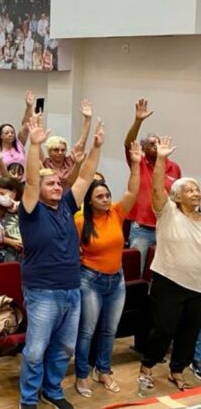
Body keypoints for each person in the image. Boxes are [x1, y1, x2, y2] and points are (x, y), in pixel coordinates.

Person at [18, 114, 104, 409]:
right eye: (51, 183)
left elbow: (85, 177)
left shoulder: (67, 204)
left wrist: (97, 147)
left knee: (64, 347)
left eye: (58, 182)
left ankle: (52, 391)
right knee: (35, 350)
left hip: (71, 288)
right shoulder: (30, 209)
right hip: (42, 290)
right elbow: (31, 180)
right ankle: (28, 399)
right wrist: (34, 143)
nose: (57, 186)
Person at [74, 142, 141, 398]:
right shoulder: (81, 221)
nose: (106, 199)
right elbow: (70, 249)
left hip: (117, 281)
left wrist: (135, 164)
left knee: (109, 330)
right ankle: (82, 374)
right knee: (87, 331)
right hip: (90, 280)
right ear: (89, 201)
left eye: (107, 195)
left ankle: (103, 370)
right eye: (99, 196)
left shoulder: (116, 213)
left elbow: (133, 191)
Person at [137, 136, 201, 393]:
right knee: (164, 329)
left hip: (198, 285)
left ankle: (178, 369)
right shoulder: (167, 212)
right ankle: (147, 367)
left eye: (197, 189)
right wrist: (161, 158)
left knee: (189, 330)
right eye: (189, 190)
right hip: (169, 280)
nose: (195, 193)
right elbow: (155, 188)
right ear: (176, 196)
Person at [124, 99, 182, 272]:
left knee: (164, 273)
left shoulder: (174, 167)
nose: (156, 146)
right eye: (151, 144)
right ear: (142, 148)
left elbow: (178, 198)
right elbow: (128, 143)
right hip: (142, 229)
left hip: (166, 228)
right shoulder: (138, 162)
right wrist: (138, 121)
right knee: (138, 271)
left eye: (158, 143)